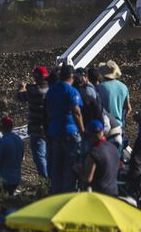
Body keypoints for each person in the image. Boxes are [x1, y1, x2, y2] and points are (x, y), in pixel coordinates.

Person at [45, 64, 84, 194]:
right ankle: (68, 192)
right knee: (71, 164)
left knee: (57, 164)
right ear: (72, 76)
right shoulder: (72, 91)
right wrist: (82, 131)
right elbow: (76, 112)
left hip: (55, 131)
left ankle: (56, 191)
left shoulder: (51, 90)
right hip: (70, 131)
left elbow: (48, 109)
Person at [17, 66, 51, 179]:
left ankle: (46, 180)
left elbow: (19, 96)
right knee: (49, 155)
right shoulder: (50, 89)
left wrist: (22, 87)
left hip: (36, 128)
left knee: (39, 156)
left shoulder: (33, 91)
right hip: (50, 127)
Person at [82, 119, 120, 196]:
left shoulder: (94, 152)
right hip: (114, 192)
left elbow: (88, 178)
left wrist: (79, 170)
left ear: (90, 135)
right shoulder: (113, 148)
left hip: (100, 194)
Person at [97, 60, 131, 141]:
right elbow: (128, 108)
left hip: (104, 126)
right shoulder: (123, 87)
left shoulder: (100, 87)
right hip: (118, 127)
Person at [0, 116, 25, 195]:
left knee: (3, 202)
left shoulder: (2, 142)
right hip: (16, 178)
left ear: (1, 127)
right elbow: (22, 158)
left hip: (5, 179)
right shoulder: (19, 139)